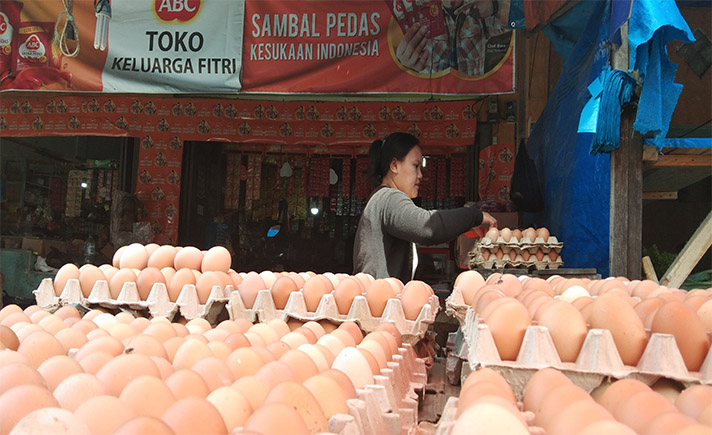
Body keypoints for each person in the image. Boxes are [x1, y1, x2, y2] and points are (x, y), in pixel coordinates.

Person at [353, 132, 497, 283]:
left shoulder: (381, 198)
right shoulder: (389, 198)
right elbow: (428, 227)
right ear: (394, 165)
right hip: (378, 301)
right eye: (415, 166)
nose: (420, 175)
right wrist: (475, 216)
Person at [396, 0, 511, 76]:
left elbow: (521, 19)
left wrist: (495, 6)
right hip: (434, 97)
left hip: (473, 95)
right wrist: (406, 64)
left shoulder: (478, 8)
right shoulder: (420, 15)